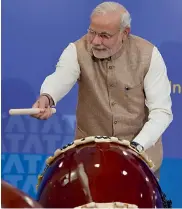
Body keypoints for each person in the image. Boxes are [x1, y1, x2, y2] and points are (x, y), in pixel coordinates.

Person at [31, 2, 173, 178]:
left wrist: (136, 147)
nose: (96, 41)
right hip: (91, 159)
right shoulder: (76, 50)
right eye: (92, 32)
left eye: (105, 35)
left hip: (141, 160)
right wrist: (47, 97)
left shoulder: (149, 55)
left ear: (125, 33)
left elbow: (161, 112)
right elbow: (60, 76)